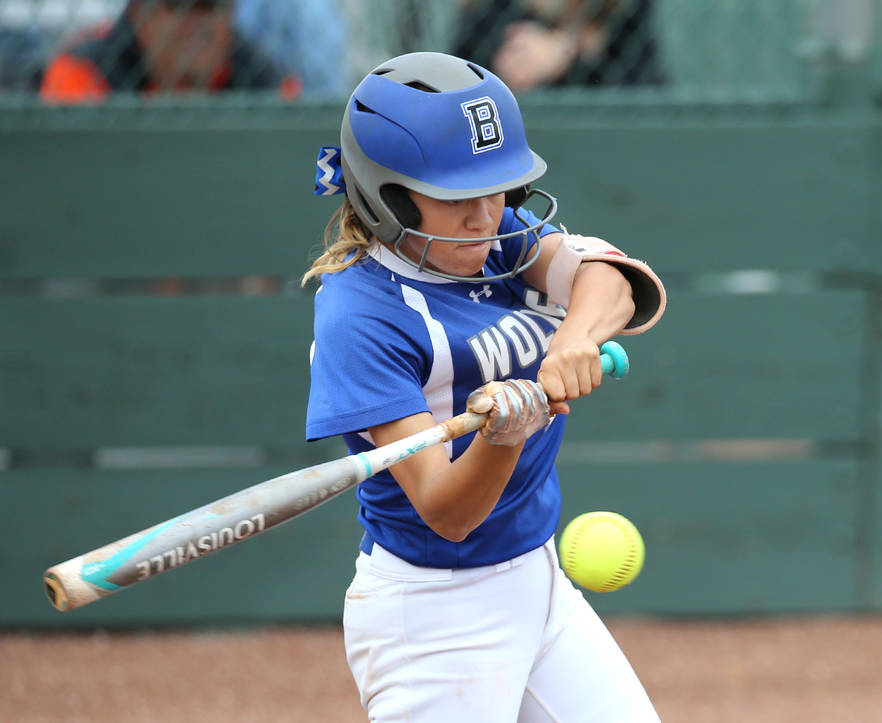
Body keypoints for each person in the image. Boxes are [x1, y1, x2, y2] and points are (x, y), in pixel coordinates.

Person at [304, 51, 666, 721]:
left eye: (497, 188)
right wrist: (506, 434)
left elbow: (613, 279)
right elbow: (447, 511)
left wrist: (574, 339)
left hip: (539, 580)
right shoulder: (362, 315)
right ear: (389, 197)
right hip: (436, 619)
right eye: (455, 197)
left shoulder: (496, 237)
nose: (483, 214)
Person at [38, 0, 299, 103]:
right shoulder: (84, 71)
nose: (198, 24)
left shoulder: (264, 77)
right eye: (178, 6)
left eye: (210, 7)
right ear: (140, 14)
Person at [453, 0, 665, 92]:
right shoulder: (501, 12)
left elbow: (643, 95)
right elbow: (465, 64)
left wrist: (566, 58)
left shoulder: (626, 16)